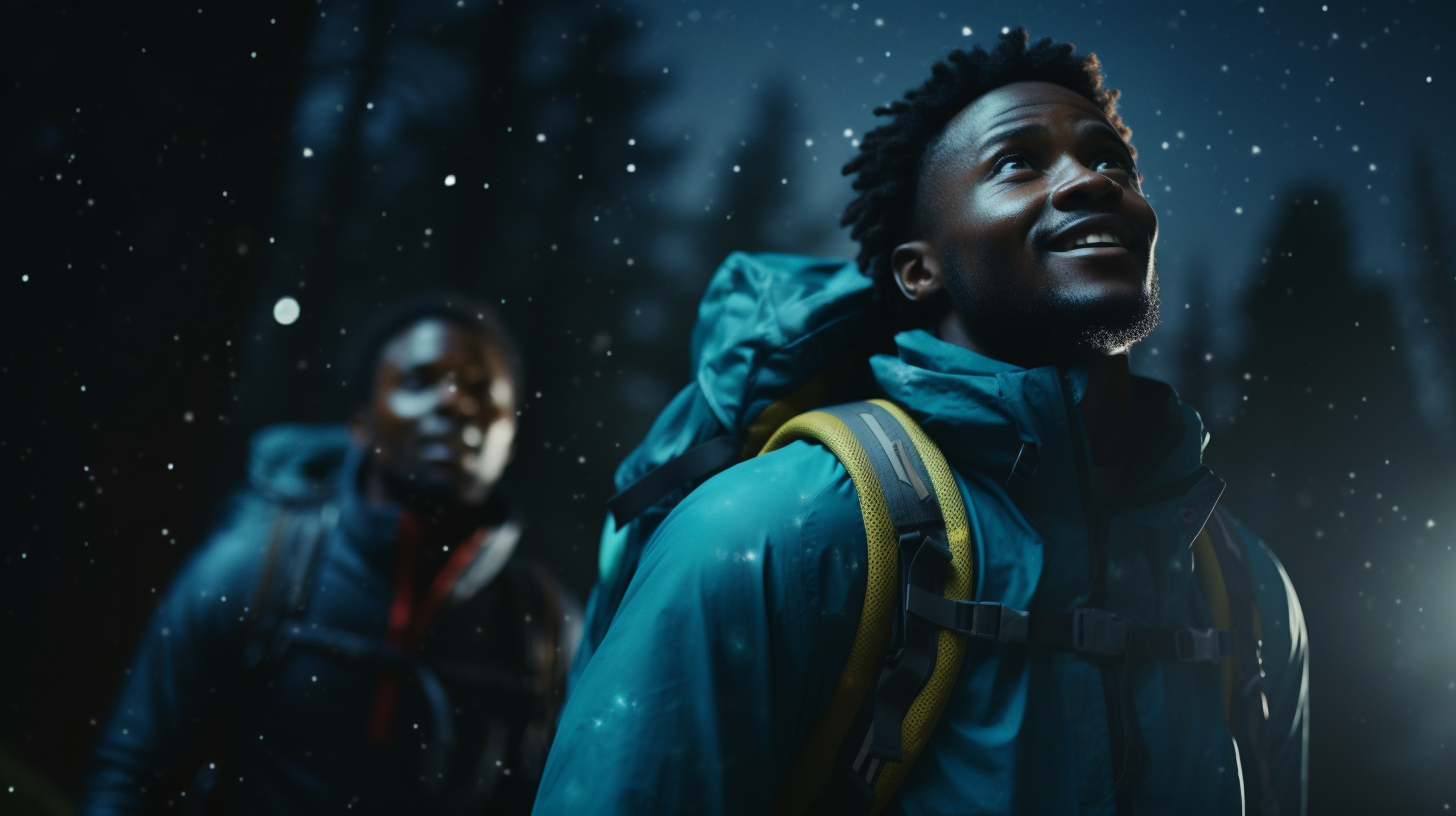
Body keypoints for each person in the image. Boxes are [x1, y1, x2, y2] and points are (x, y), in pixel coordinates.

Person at [535, 30, 1307, 816]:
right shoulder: (774, 531)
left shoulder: (1244, 588)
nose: (1091, 182)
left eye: (1113, 161)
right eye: (1018, 163)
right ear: (918, 269)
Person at [80, 294, 579, 816]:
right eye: (419, 381)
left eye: (481, 390)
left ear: (511, 435)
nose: (455, 402)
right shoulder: (253, 567)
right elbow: (129, 774)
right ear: (360, 424)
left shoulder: (546, 628)